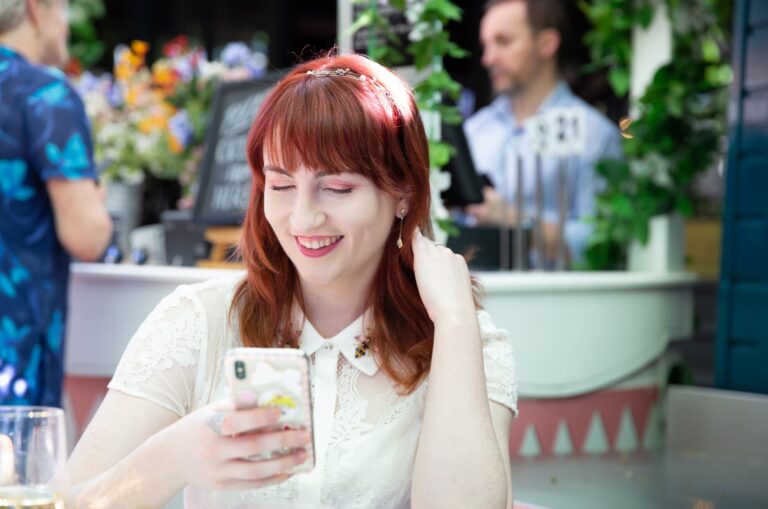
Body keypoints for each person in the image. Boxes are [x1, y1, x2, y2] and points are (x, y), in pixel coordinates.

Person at [64, 54, 519, 508]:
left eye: (338, 188)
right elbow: (65, 503)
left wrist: (456, 324)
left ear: (403, 194)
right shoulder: (200, 323)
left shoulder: (461, 338)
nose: (303, 217)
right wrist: (175, 457)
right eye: (280, 186)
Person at [0, 0, 112, 406]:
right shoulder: (44, 95)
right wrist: (96, 203)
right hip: (13, 356)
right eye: (63, 11)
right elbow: (87, 236)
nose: (65, 27)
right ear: (36, 9)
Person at [464, 0, 623, 265]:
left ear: (546, 43)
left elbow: (601, 245)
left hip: (555, 301)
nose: (488, 58)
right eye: (485, 45)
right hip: (472, 298)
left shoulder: (594, 134)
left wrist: (515, 221)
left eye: (503, 42)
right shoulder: (474, 131)